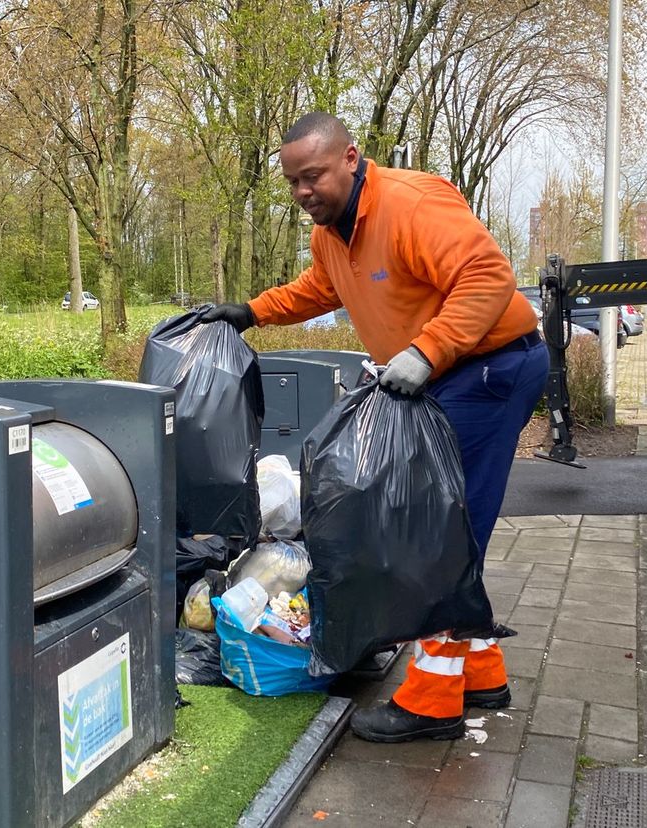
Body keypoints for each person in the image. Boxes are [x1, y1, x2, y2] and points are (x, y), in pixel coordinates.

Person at [203, 112, 549, 742]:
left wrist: (428, 350)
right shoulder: (331, 232)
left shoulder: (410, 204)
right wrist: (249, 312)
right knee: (449, 524)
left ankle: (433, 701)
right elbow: (320, 288)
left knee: (435, 529)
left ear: (351, 159)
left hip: (490, 368)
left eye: (313, 176)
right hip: (447, 372)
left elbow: (489, 276)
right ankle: (481, 674)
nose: (304, 191)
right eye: (293, 182)